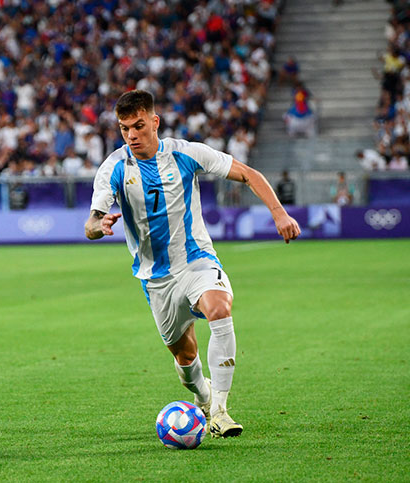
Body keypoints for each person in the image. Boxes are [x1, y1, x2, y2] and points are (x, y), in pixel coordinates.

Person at [84, 90, 300, 439]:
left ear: (154, 121)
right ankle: (204, 397)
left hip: (195, 260)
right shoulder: (114, 168)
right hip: (155, 279)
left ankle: (221, 411)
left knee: (219, 308)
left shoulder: (185, 153)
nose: (131, 135)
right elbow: (91, 222)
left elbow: (246, 173)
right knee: (185, 356)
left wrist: (279, 213)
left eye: (138, 126)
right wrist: (99, 226)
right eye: (124, 129)